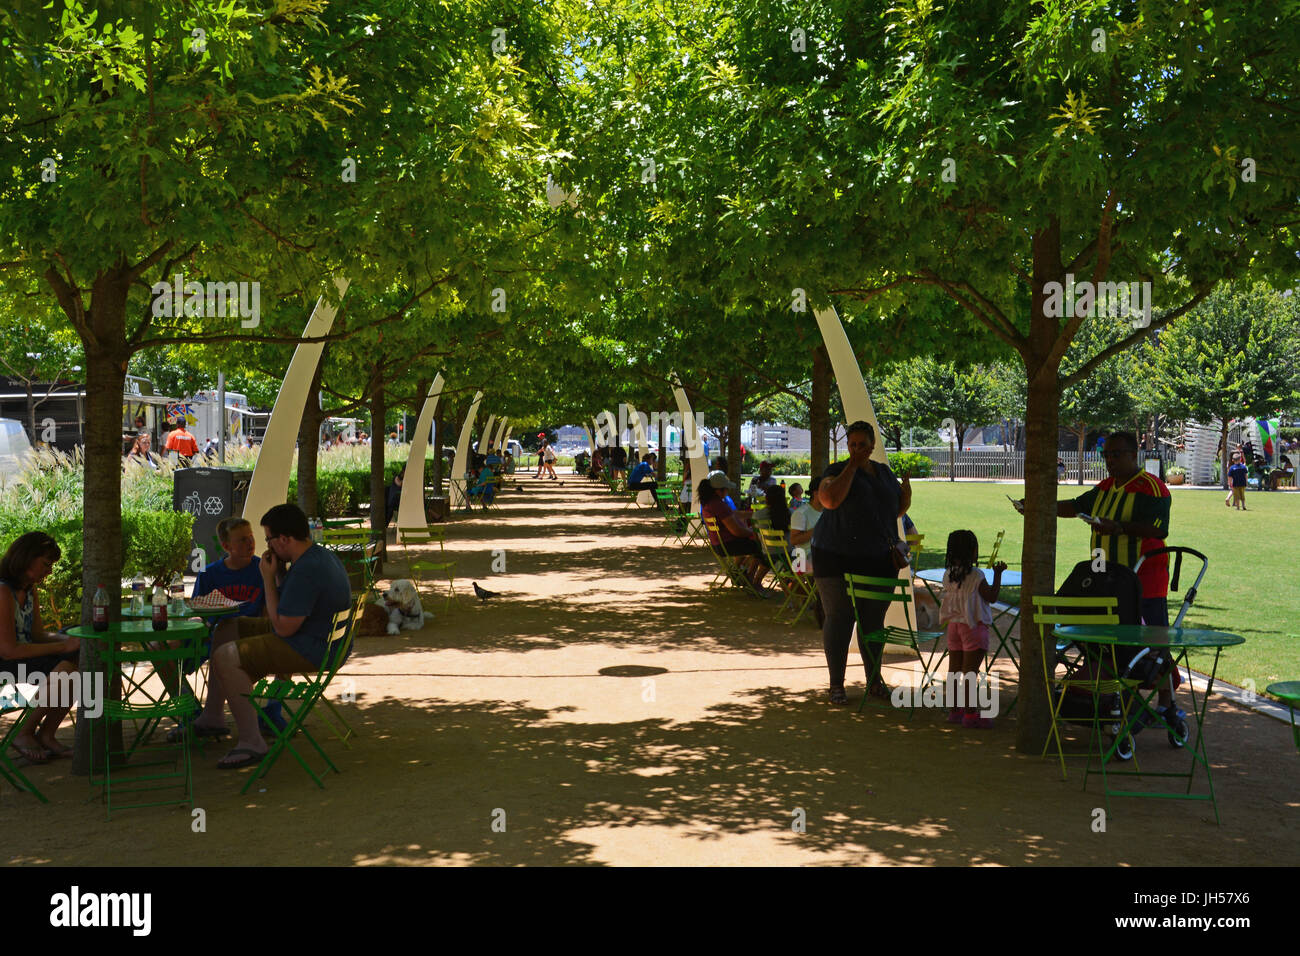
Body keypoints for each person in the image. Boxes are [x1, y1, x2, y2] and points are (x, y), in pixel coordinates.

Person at [1014, 430, 1179, 717]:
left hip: (1145, 581)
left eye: (1116, 455)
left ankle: (1167, 703)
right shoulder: (1105, 487)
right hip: (1107, 579)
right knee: (1109, 641)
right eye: (1106, 455)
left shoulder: (1151, 487)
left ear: (1132, 455)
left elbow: (1158, 529)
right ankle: (1111, 696)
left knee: (1154, 641)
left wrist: (1119, 527)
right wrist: (1039, 508)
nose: (1110, 461)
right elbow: (1077, 506)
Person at [209, 504, 351, 770]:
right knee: (228, 628)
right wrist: (279, 574)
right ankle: (213, 715)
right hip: (325, 642)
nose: (268, 546)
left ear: (284, 539)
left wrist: (267, 578)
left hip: (312, 648)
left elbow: (284, 628)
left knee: (225, 657)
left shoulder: (307, 569)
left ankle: (252, 741)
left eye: (269, 539)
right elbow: (289, 611)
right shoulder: (316, 556)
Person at [813, 420, 912, 706]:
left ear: (872, 446)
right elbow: (829, 500)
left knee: (873, 622)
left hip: (878, 558)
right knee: (839, 618)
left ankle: (874, 681)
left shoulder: (883, 473)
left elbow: (896, 510)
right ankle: (836, 686)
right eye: (852, 445)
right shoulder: (836, 471)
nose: (856, 450)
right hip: (834, 556)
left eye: (862, 445)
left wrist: (905, 494)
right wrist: (852, 467)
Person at [167, 517, 276, 742]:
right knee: (160, 648)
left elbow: (268, 615)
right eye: (242, 540)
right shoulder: (210, 574)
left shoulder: (263, 570)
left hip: (247, 639)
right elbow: (196, 614)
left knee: (226, 629)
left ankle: (211, 716)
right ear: (227, 546)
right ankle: (190, 711)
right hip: (210, 637)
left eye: (251, 537)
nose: (250, 543)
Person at [0, 532, 81, 762]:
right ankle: (24, 733)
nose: (50, 571)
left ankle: (46, 735)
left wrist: (69, 639)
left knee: (78, 661)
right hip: (6, 664)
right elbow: (8, 650)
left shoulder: (29, 589)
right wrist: (62, 647)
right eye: (46, 564)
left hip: (22, 659)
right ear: (26, 559)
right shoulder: (3, 591)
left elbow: (36, 634)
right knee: (67, 668)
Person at [939, 530, 1006, 729]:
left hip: (954, 626)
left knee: (954, 670)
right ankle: (970, 714)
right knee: (970, 673)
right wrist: (998, 574)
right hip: (973, 627)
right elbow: (992, 596)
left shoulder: (948, 573)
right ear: (971, 552)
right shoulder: (977, 575)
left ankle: (954, 711)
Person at [698, 474, 768, 590]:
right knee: (760, 548)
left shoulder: (711, 503)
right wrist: (754, 532)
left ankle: (739, 572)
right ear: (720, 490)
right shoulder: (719, 505)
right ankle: (751, 579)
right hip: (728, 545)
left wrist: (755, 514)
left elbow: (735, 514)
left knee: (753, 544)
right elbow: (737, 531)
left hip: (718, 545)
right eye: (727, 488)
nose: (728, 491)